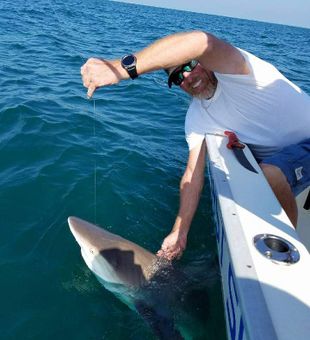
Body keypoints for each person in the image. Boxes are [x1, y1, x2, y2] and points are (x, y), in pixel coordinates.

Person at [81, 31, 310, 260]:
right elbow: (192, 174)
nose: (187, 77)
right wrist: (179, 231)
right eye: (177, 77)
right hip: (285, 156)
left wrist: (121, 69)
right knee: (254, 179)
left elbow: (201, 42)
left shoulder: (240, 72)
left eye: (190, 65)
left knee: (268, 176)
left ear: (206, 62)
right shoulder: (197, 117)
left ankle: (289, 258)